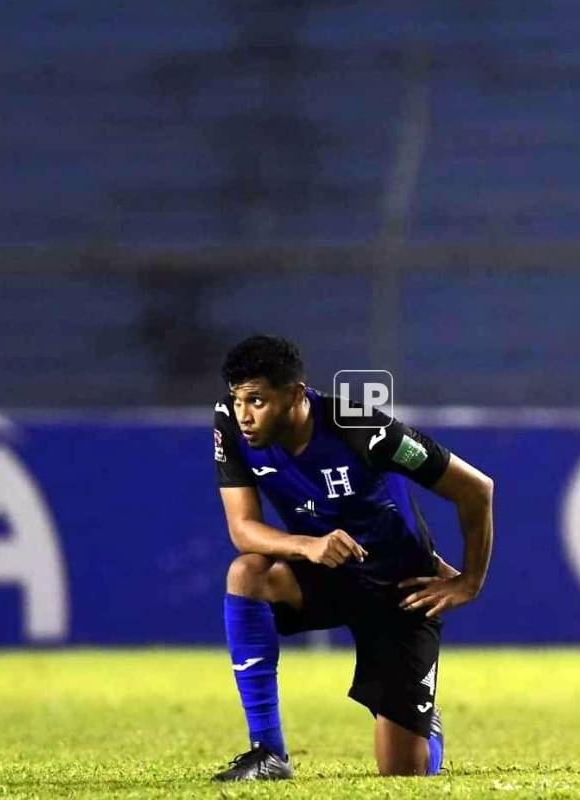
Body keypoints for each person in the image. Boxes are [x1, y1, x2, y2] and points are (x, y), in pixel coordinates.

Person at [210, 334, 494, 780]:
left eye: (258, 401)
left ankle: (422, 724)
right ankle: (267, 752)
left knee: (403, 773)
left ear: (296, 395)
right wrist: (308, 545)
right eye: (239, 399)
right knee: (247, 573)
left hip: (400, 589)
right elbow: (242, 529)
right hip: (325, 573)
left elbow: (476, 488)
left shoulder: (360, 425)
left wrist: (469, 581)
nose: (245, 415)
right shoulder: (229, 422)